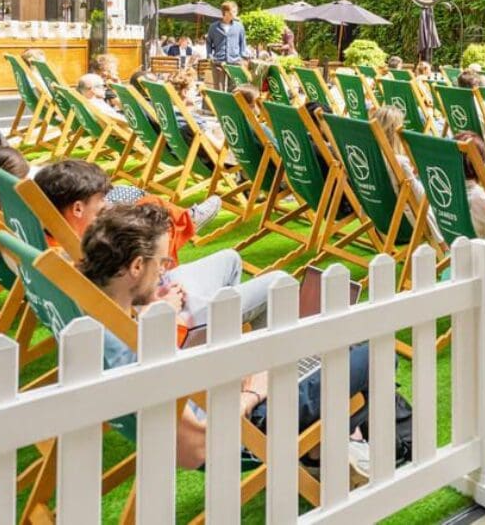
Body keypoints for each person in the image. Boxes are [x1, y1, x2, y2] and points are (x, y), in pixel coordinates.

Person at [77, 203, 373, 484]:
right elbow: (195, 449)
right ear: (137, 266)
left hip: (213, 386)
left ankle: (331, 444)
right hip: (242, 418)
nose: (164, 272)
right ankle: (331, 449)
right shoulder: (133, 348)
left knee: (317, 345)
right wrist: (252, 393)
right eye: (162, 263)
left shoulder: (93, 316)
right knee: (368, 353)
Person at [35, 159, 253, 324]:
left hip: (145, 296)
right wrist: (162, 305)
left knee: (230, 259)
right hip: (160, 325)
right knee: (269, 283)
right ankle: (225, 345)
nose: (105, 207)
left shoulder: (46, 245)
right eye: (100, 204)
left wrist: (150, 293)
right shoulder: (73, 260)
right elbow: (127, 319)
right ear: (78, 208)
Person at [206, 1, 248, 89]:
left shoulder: (239, 26)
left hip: (235, 63)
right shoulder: (213, 27)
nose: (235, 14)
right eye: (233, 11)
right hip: (218, 62)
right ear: (225, 12)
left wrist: (241, 57)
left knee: (234, 89)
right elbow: (209, 43)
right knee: (219, 89)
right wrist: (210, 56)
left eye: (236, 11)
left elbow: (242, 43)